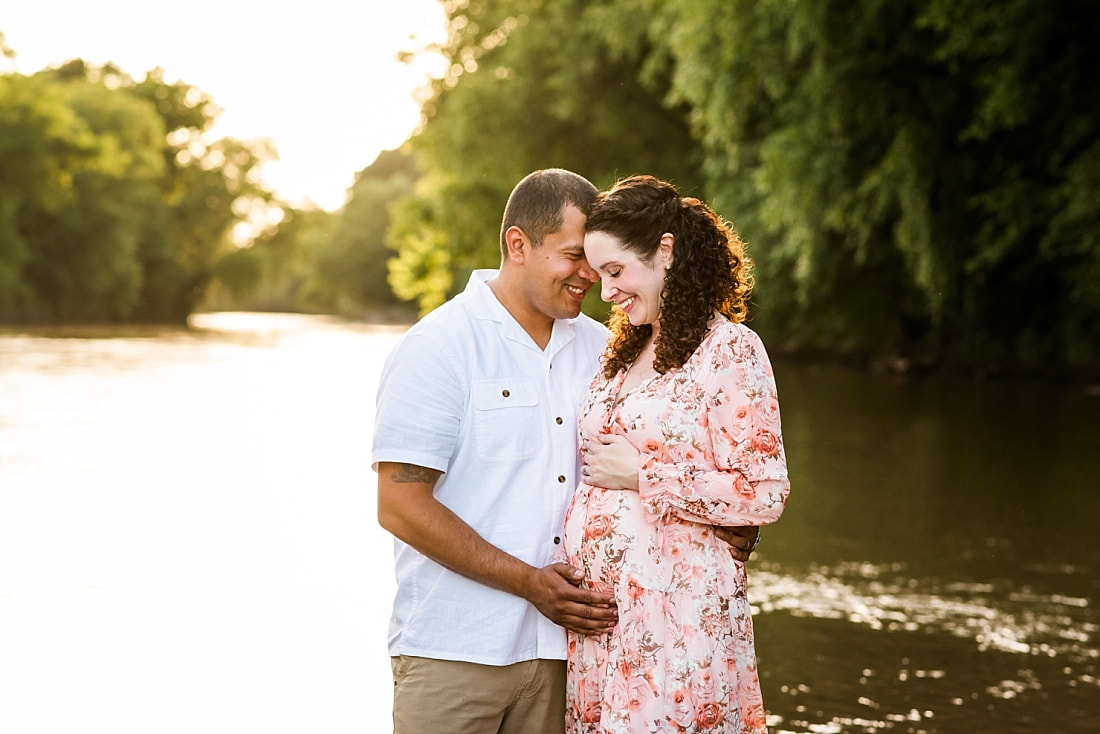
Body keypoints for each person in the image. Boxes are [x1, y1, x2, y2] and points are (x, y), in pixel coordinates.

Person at [373, 168, 760, 734]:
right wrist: (530, 583)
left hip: (576, 656)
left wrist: (724, 519)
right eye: (574, 256)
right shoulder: (439, 347)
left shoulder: (611, 351)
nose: (591, 279)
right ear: (517, 244)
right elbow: (399, 504)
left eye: (601, 264)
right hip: (457, 649)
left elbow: (675, 460)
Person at [563, 175, 790, 734]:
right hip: (603, 633)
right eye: (599, 277)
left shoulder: (730, 350)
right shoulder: (624, 350)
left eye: (616, 272)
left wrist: (646, 475)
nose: (606, 292)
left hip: (678, 626)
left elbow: (763, 492)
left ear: (664, 250)